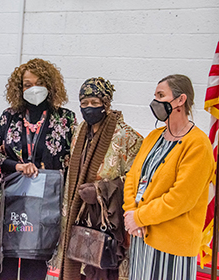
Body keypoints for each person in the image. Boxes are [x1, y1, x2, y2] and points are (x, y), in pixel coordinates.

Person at [123, 74, 215, 280]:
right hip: (142, 236)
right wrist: (130, 213)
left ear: (180, 100)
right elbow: (133, 177)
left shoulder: (198, 144)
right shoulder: (153, 137)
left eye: (161, 95)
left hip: (173, 245)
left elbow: (181, 198)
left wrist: (139, 217)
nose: (155, 101)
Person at [0, 58, 76, 280]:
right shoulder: (9, 116)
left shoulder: (65, 118)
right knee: (7, 262)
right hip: (12, 198)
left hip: (45, 202)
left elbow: (71, 160)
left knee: (35, 265)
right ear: (19, 89)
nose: (33, 88)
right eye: (27, 84)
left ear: (50, 85)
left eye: (38, 82)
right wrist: (18, 166)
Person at [57, 77, 143, 280]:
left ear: (106, 103)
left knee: (103, 272)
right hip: (77, 217)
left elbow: (135, 180)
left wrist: (100, 191)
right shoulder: (79, 131)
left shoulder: (127, 136)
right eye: (84, 103)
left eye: (95, 103)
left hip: (106, 223)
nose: (89, 108)